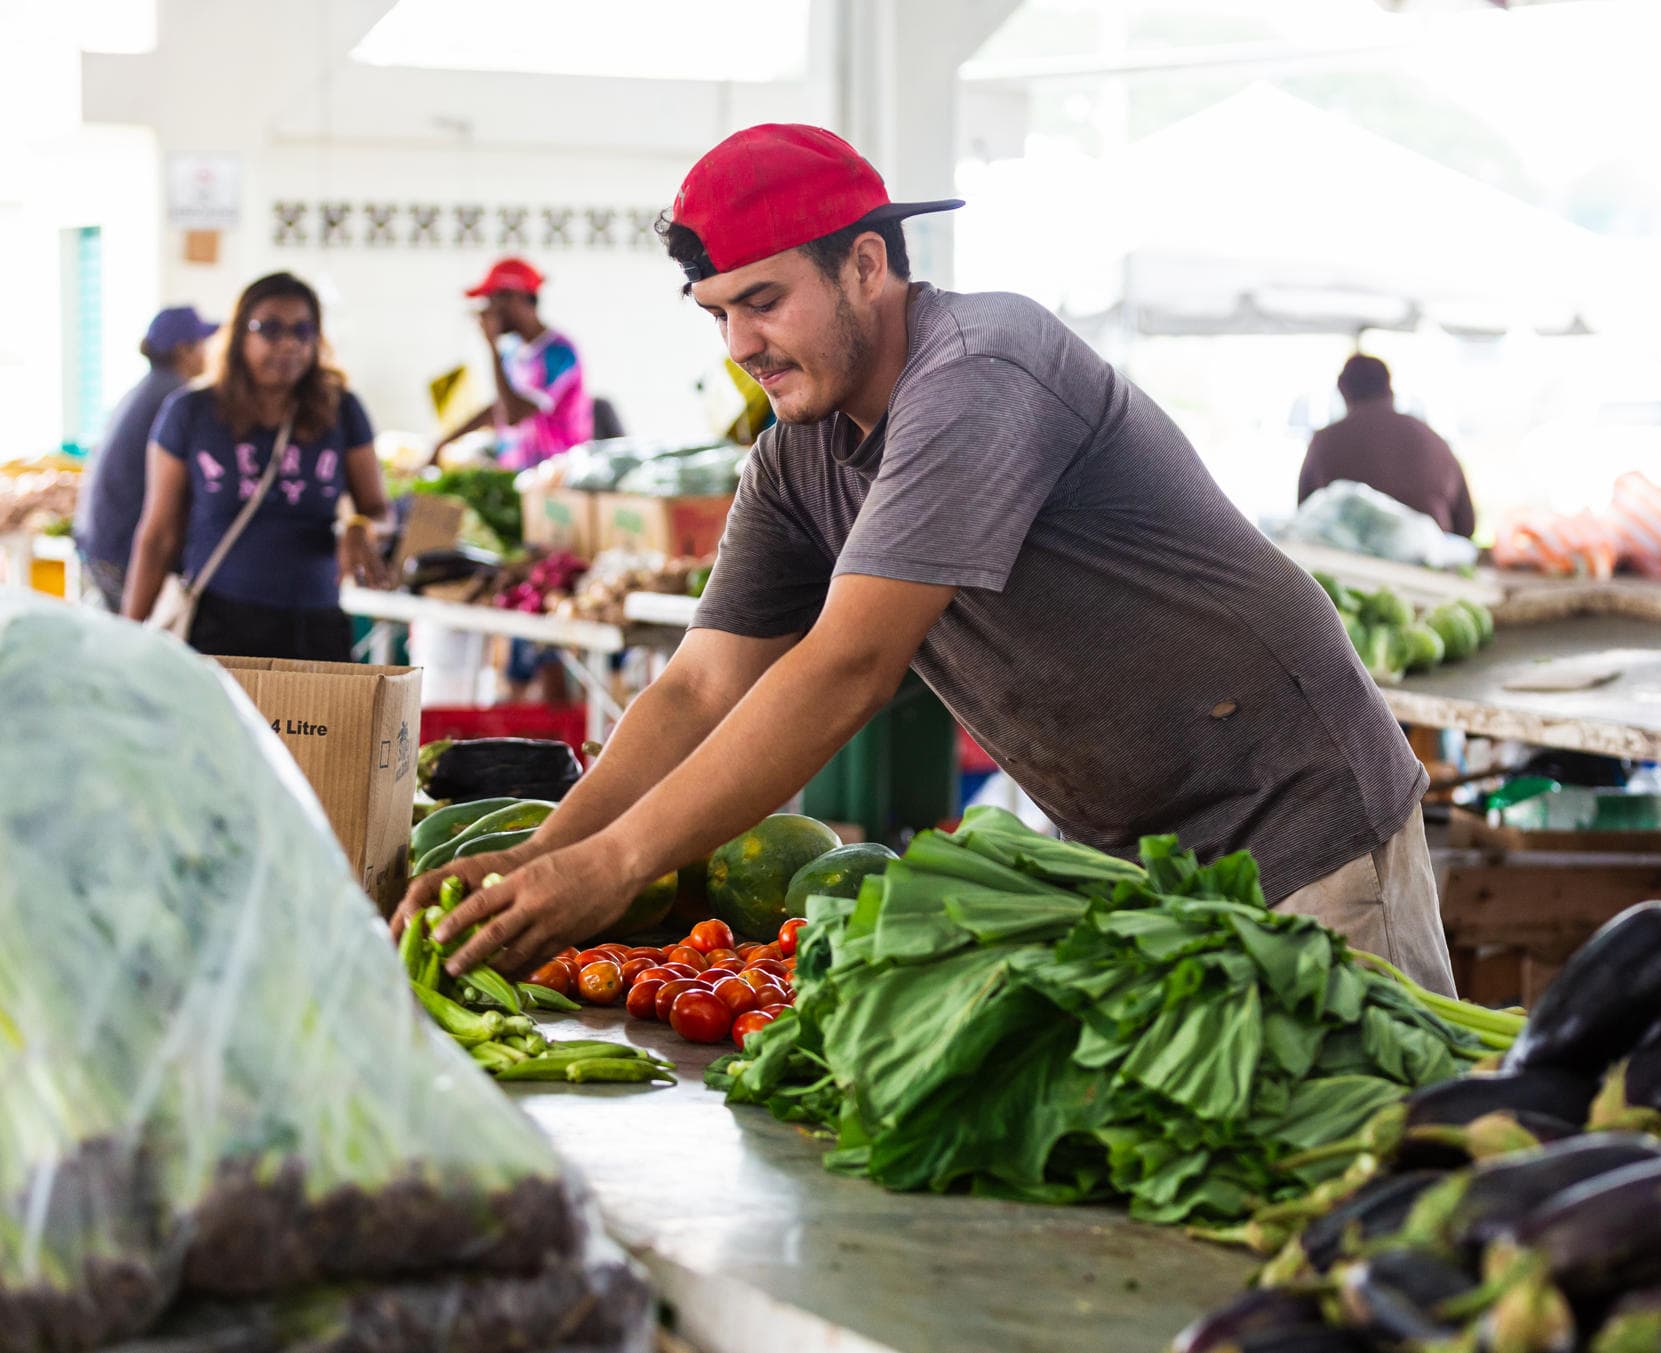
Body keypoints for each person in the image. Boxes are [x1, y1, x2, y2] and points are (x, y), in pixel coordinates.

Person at [397, 124, 1455, 996]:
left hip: (1298, 812)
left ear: (866, 263)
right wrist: (542, 861)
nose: (739, 348)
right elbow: (699, 687)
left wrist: (620, 866)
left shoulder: (983, 368)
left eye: (764, 302)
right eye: (719, 315)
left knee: (1375, 1173)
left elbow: (850, 664)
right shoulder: (794, 460)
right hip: (1139, 846)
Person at [122, 272, 389, 660]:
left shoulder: (342, 410)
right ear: (239, 335)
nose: (288, 344)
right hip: (217, 622)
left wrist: (360, 528)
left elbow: (378, 509)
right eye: (270, 329)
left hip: (313, 627)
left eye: (302, 330)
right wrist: (129, 637)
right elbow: (159, 534)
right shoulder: (190, 413)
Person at [73, 306, 219, 611]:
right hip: (120, 550)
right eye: (201, 345)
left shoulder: (148, 388)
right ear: (184, 350)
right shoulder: (177, 399)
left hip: (99, 544)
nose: (208, 353)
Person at [433, 258, 592, 471]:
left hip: (555, 479)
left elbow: (514, 415)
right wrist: (443, 443)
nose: (487, 310)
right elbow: (500, 407)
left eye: (492, 301)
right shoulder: (512, 350)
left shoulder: (559, 353)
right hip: (517, 474)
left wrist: (491, 345)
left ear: (515, 298)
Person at [1298, 355, 1476, 538]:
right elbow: (1466, 526)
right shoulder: (1433, 441)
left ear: (1343, 390)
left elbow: (1304, 514)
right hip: (1425, 558)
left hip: (1343, 559)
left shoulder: (1325, 441)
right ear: (1389, 389)